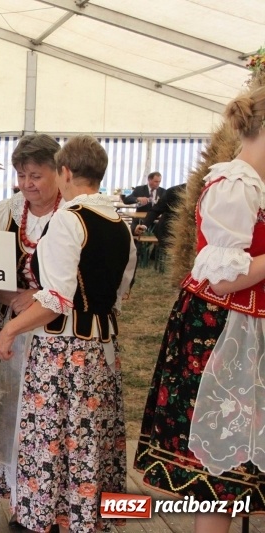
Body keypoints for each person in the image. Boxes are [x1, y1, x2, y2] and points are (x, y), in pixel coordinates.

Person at [134, 86, 265, 533]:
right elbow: (225, 276)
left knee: (242, 466)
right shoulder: (234, 183)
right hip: (224, 333)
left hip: (249, 331)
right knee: (217, 469)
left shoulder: (257, 185)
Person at [0, 135, 136, 533]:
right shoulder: (120, 225)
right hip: (102, 346)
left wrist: (9, 330)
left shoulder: (67, 220)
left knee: (51, 433)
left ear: (65, 172)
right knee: (90, 435)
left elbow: (54, 299)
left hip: (62, 350)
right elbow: (120, 292)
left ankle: (44, 517)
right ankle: (85, 516)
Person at [0, 133, 64, 524]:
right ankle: (23, 503)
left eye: (36, 174)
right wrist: (14, 297)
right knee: (17, 416)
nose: (28, 183)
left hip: (61, 334)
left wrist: (39, 299)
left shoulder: (74, 215)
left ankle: (57, 506)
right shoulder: (8, 213)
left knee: (51, 424)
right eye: (21, 175)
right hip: (15, 328)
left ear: (59, 172)